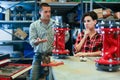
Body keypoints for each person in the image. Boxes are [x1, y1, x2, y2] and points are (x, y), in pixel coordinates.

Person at [29, 3, 69, 80]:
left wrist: (59, 43)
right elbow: (31, 40)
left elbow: (66, 35)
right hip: (39, 56)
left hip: (53, 56)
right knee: (33, 78)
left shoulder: (56, 24)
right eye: (45, 12)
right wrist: (36, 41)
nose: (48, 14)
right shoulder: (34, 25)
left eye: (49, 11)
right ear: (40, 12)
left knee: (51, 78)